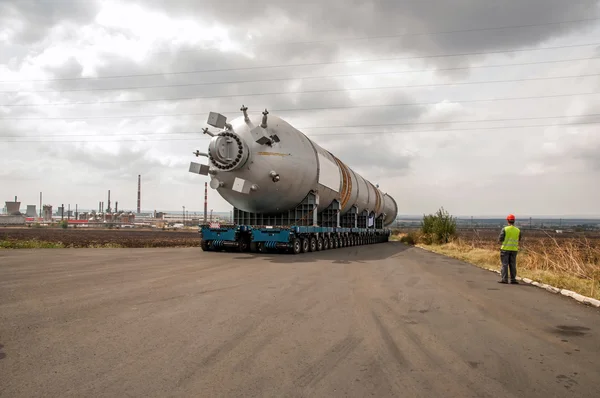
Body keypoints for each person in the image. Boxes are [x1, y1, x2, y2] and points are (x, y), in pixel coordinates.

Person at [498, 214, 521, 284]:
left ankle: (504, 279)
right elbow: (519, 239)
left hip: (505, 249)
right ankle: (513, 279)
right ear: (514, 221)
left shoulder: (505, 229)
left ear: (507, 220)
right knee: (513, 264)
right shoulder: (518, 230)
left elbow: (500, 239)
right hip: (514, 250)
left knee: (505, 264)